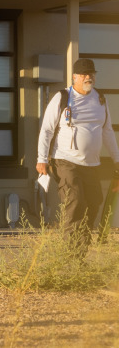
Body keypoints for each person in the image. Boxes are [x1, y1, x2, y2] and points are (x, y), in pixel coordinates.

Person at [37, 58, 119, 255]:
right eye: (83, 74)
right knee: (75, 201)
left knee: (94, 202)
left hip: (92, 164)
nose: (88, 77)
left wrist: (117, 160)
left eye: (91, 74)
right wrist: (42, 159)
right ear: (74, 76)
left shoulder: (100, 98)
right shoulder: (62, 97)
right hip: (66, 161)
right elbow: (46, 130)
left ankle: (80, 251)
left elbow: (107, 131)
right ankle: (69, 255)